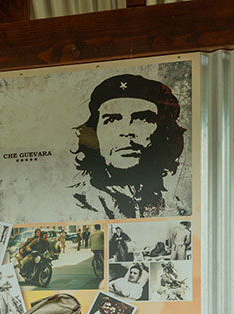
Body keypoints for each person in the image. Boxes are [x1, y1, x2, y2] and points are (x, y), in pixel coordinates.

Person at [70, 74, 188, 219]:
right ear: (94, 132)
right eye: (112, 119)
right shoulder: (76, 204)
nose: (126, 131)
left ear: (162, 133)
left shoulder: (174, 208)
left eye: (143, 119)